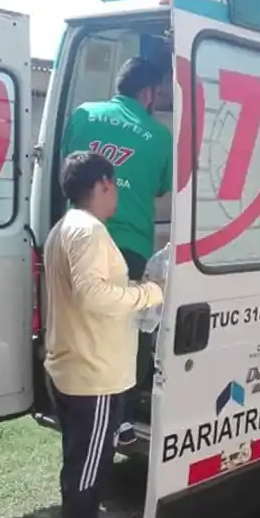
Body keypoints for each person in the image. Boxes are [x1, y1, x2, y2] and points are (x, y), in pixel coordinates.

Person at [43, 151, 164, 518]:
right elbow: (93, 296)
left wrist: (130, 289)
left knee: (84, 460)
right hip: (92, 374)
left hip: (77, 365)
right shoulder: (89, 231)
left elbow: (89, 291)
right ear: (104, 184)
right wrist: (148, 294)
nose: (116, 195)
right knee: (86, 466)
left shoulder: (66, 228)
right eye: (115, 186)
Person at [61, 56, 173, 445]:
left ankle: (77, 400)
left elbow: (69, 164)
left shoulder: (84, 113)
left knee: (80, 321)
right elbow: (162, 188)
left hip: (74, 233)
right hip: (128, 244)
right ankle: (119, 416)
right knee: (129, 328)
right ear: (148, 93)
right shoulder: (159, 136)